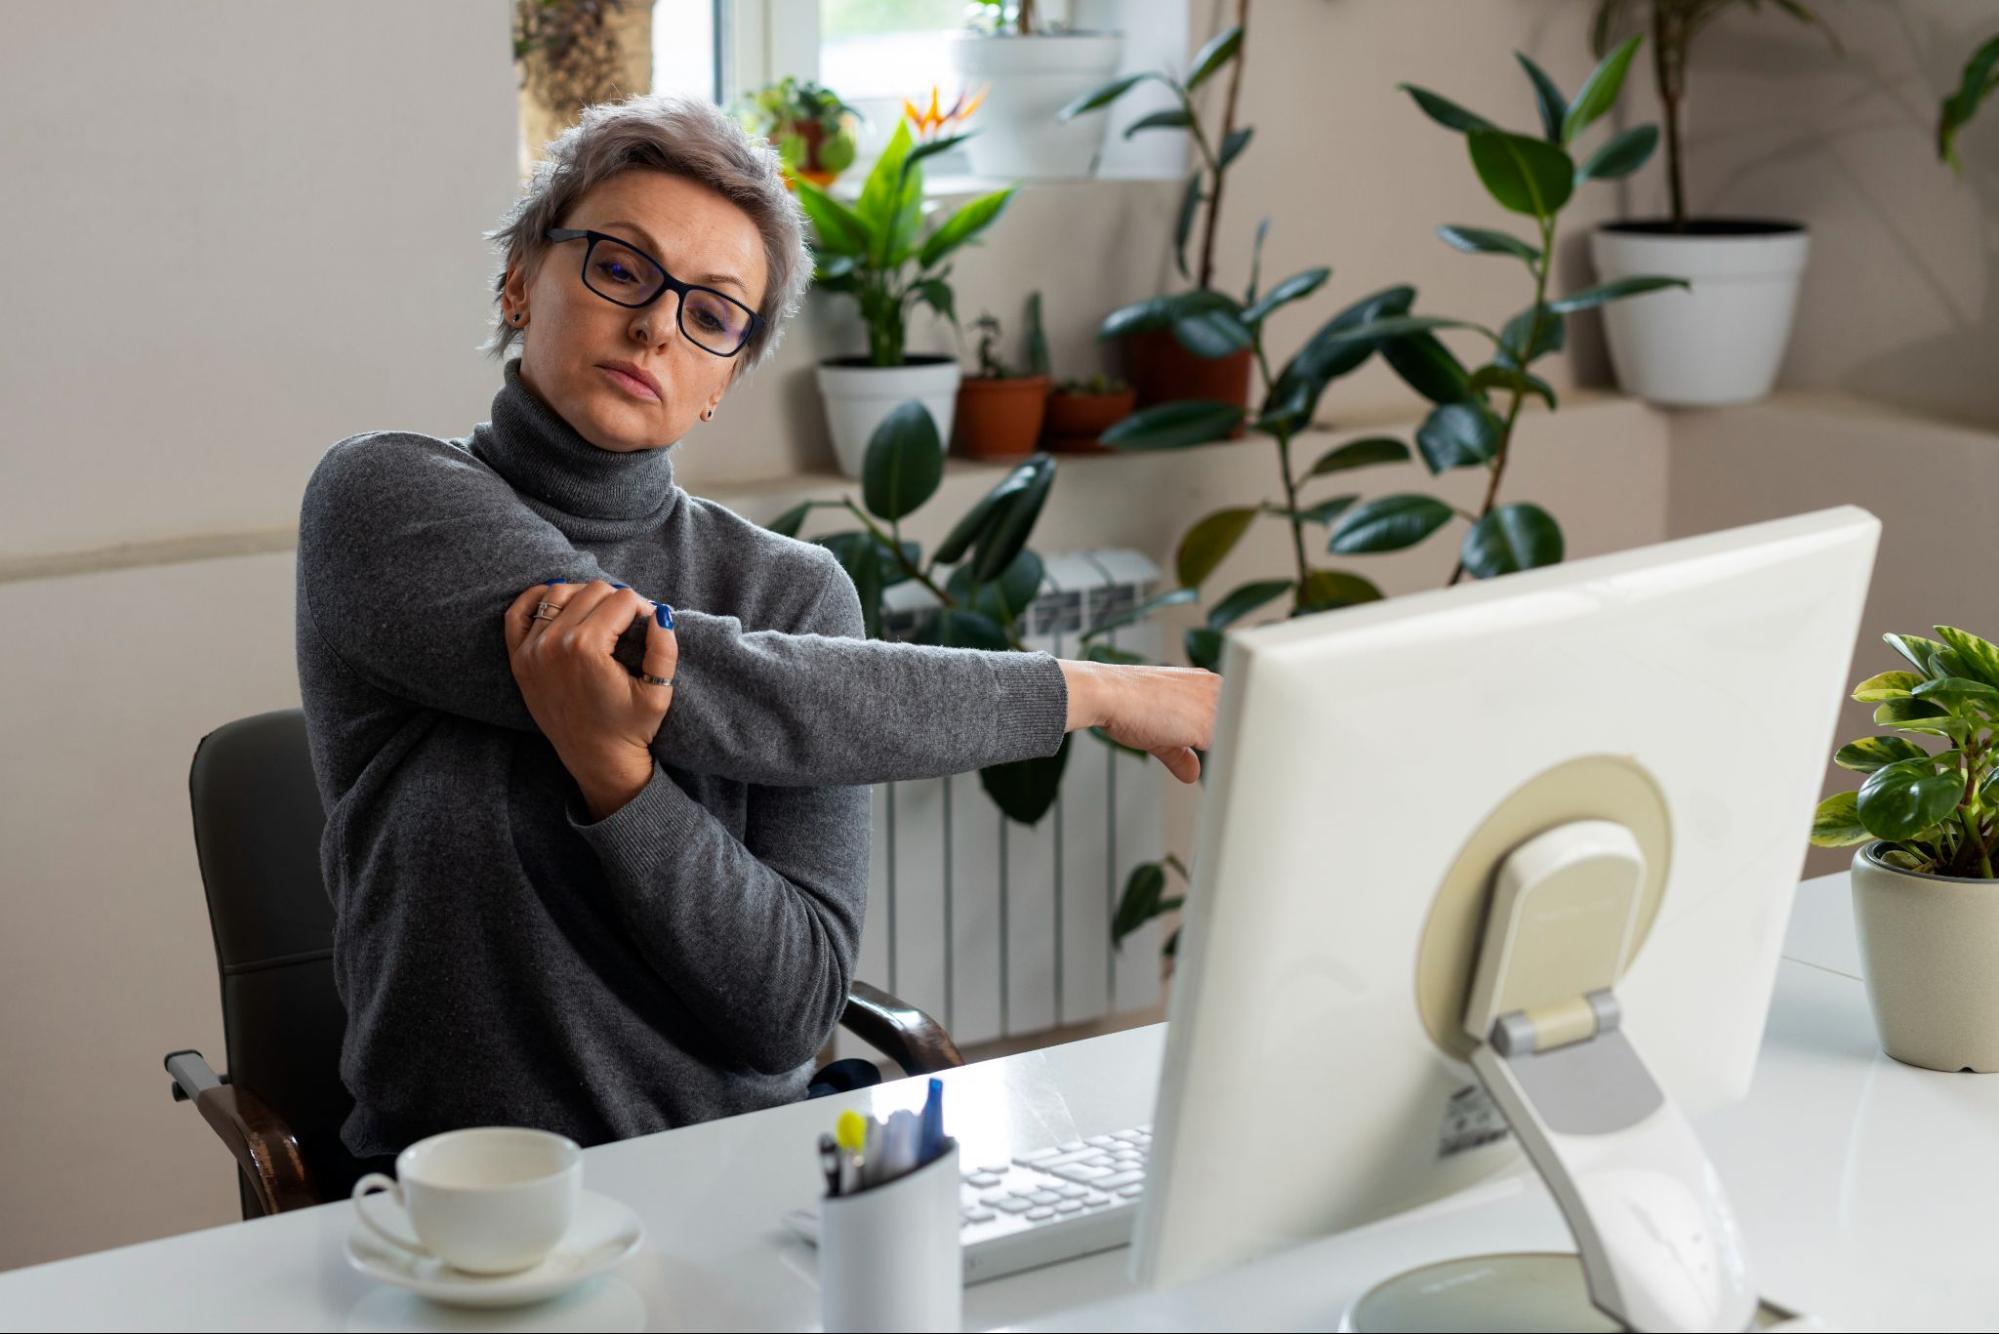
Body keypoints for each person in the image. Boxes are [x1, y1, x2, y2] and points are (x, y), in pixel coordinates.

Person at [294, 93, 1218, 1166]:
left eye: (711, 313)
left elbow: (786, 1014)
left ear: (726, 375)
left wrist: (619, 782)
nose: (654, 326)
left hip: (734, 1185)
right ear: (519, 279)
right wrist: (1090, 690)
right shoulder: (384, 496)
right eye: (619, 267)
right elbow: (690, 671)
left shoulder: (794, 594)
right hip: (455, 1196)